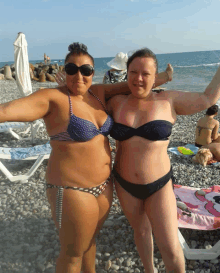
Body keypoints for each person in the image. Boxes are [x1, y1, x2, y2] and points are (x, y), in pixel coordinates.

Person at [0, 42, 171, 273]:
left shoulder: (98, 94)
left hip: (103, 187)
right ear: (64, 70)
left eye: (86, 70)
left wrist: (163, 77)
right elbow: (5, 111)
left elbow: (131, 86)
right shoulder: (52, 98)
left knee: (89, 244)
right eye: (71, 69)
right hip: (72, 190)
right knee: (71, 255)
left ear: (93, 73)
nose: (78, 75)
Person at [107, 48, 220, 273]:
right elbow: (86, 97)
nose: (139, 78)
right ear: (126, 73)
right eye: (133, 72)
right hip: (124, 183)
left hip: (158, 185)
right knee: (140, 232)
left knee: (170, 248)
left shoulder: (169, 99)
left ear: (155, 76)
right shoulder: (115, 102)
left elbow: (208, 97)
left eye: (146, 73)